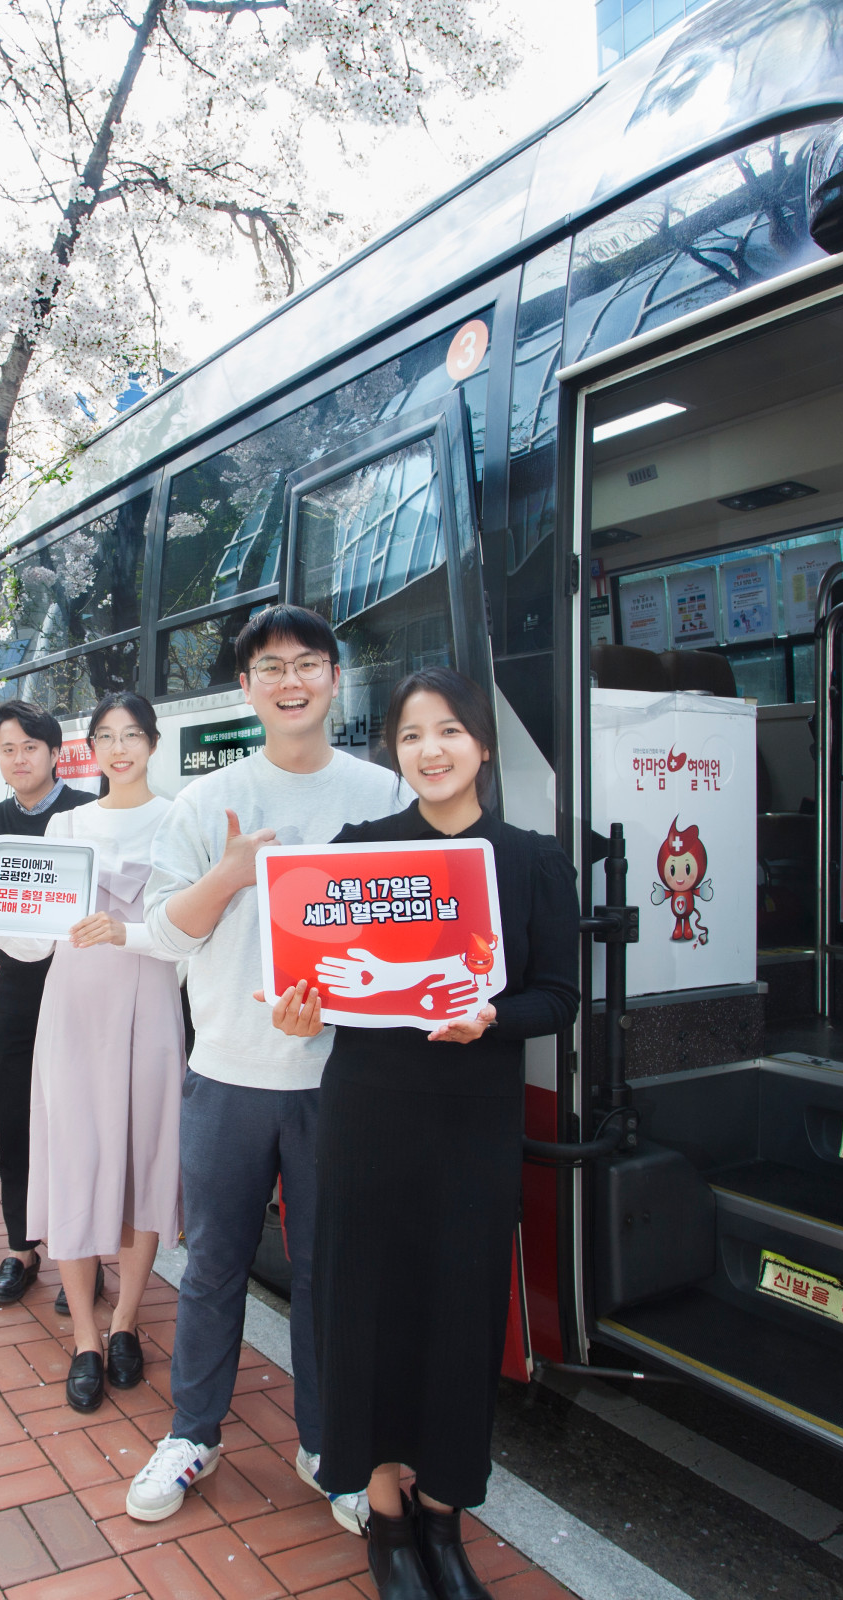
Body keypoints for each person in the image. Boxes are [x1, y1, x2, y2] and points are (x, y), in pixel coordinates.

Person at [280, 668, 579, 1600]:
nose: (432, 750)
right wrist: (299, 1011)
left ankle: (445, 1513)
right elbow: (317, 976)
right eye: (412, 736)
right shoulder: (360, 852)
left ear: (483, 746)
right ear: (397, 753)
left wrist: (490, 1015)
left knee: (460, 1311)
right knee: (362, 1305)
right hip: (367, 1114)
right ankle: (384, 1513)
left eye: (449, 731)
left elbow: (559, 1000)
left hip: (470, 1126)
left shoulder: (531, 860)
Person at [124, 603, 403, 1531]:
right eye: (271, 668)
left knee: (333, 1275)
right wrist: (235, 872)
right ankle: (193, 1433)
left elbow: (405, 930)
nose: (292, 682)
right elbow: (163, 935)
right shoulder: (208, 802)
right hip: (231, 1076)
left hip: (342, 1080)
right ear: (245, 688)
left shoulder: (380, 793)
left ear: (335, 678)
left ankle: (330, 1446)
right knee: (211, 1269)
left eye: (309, 665)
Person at [0, 692, 184, 1412]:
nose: (119, 747)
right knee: (74, 1159)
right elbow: (33, 935)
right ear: (91, 748)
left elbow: (185, 932)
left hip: (151, 1006)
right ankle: (86, 1339)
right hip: (70, 1009)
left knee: (139, 1160)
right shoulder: (65, 825)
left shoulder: (179, 819)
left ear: (153, 743)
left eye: (132, 734)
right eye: (106, 735)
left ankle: (128, 1319)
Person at [0, 700, 96, 1308]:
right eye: (7, 750)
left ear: (53, 752)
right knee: (13, 1114)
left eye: (30, 748)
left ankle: (82, 1258)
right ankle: (22, 1247)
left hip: (80, 985)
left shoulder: (87, 814)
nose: (19, 759)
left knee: (78, 1121)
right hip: (15, 984)